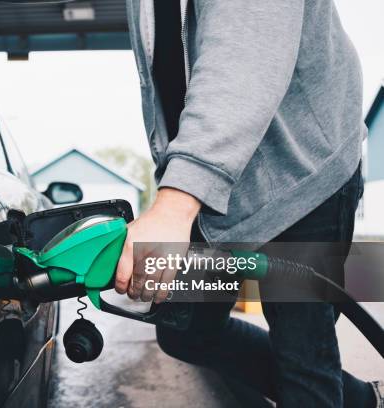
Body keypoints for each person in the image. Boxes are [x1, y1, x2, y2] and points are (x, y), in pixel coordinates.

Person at [114, 0, 382, 406]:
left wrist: (176, 204)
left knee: (303, 360)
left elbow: (243, 66)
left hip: (302, 176)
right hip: (219, 189)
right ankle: (359, 401)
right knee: (184, 330)